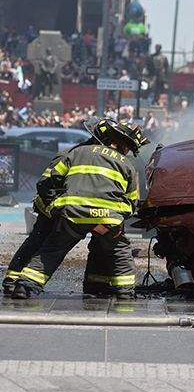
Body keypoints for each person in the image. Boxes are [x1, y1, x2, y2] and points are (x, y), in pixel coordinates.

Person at [10, 120, 149, 300]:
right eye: (128, 148)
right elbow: (131, 201)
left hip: (73, 217)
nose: (127, 152)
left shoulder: (76, 153)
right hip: (105, 221)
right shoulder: (126, 164)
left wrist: (55, 207)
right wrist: (116, 220)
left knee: (52, 250)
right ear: (120, 145)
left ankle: (24, 286)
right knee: (118, 250)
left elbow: (46, 182)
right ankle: (125, 293)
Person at [1, 119, 111, 293]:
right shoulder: (72, 155)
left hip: (69, 210)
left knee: (49, 245)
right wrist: (55, 207)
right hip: (50, 208)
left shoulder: (98, 159)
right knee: (37, 242)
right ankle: (12, 280)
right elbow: (45, 184)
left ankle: (97, 284)